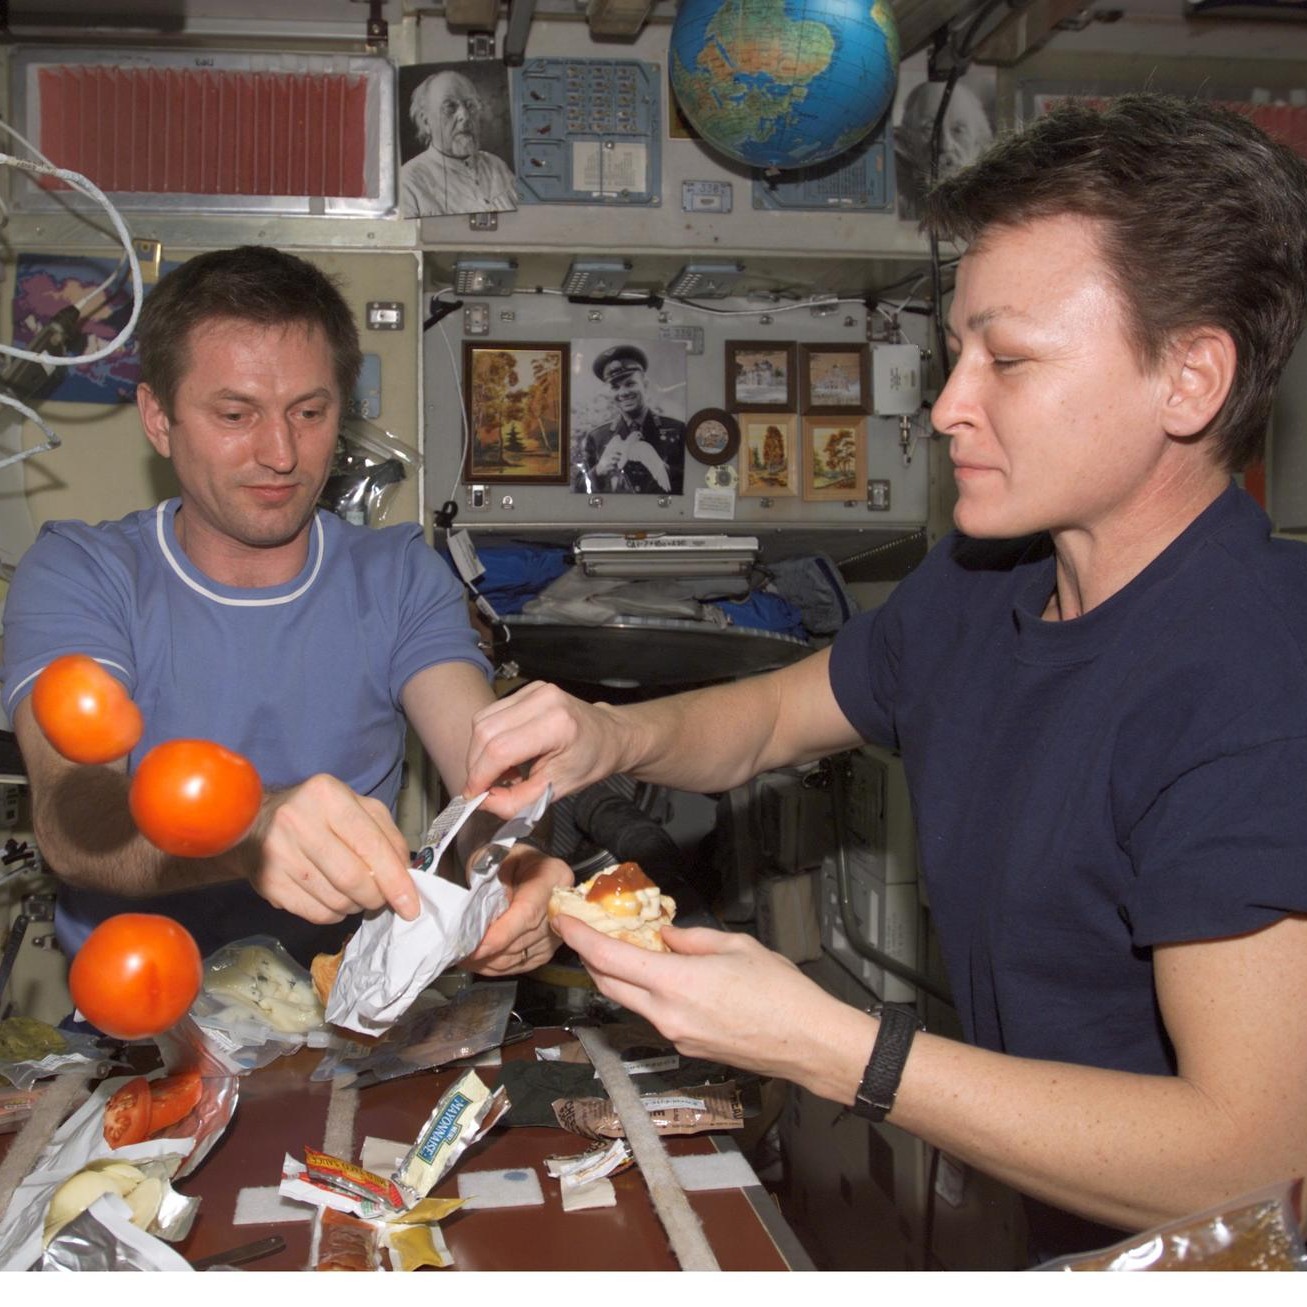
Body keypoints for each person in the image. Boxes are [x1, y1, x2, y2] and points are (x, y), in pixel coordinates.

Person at [462, 95, 1307, 1262]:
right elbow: (764, 716)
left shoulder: (1257, 674)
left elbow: (1251, 1154)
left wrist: (828, 1045)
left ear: (1189, 380)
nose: (949, 405)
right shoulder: (982, 581)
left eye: (1006, 359)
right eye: (956, 352)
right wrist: (609, 736)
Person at [0, 245, 568, 973]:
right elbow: (76, 821)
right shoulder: (81, 573)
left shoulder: (397, 575)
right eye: (236, 413)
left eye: (309, 412)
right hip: (142, 1018)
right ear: (159, 418)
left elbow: (484, 773)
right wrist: (250, 830)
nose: (280, 453)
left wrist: (513, 864)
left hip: (342, 1007)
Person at [398, 68, 517, 219]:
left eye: (470, 105)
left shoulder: (496, 165)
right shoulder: (408, 182)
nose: (465, 116)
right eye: (450, 107)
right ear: (426, 121)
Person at [573, 345, 685, 495]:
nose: (623, 392)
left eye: (630, 384)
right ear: (609, 392)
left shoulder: (677, 430)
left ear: (645, 385)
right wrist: (598, 471)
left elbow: (688, 484)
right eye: (615, 387)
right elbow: (578, 490)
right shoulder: (597, 437)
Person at [894, 78, 993, 220]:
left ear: (978, 142)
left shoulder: (995, 213)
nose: (945, 145)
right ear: (909, 140)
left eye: (958, 130)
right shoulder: (901, 202)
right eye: (929, 128)